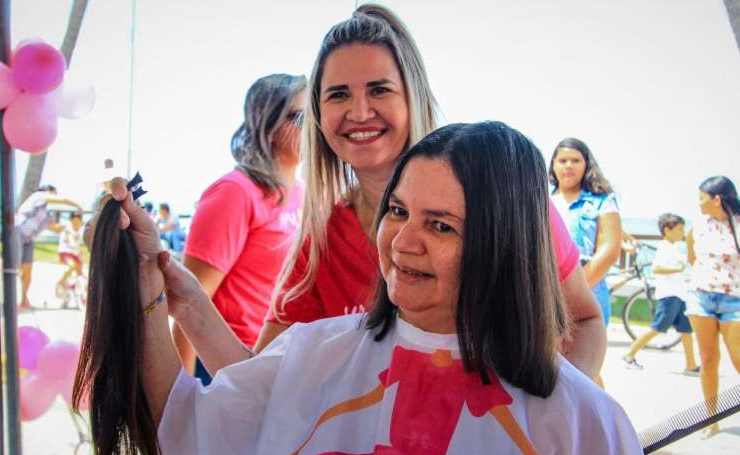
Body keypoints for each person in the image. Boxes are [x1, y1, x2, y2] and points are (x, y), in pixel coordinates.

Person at [79, 121, 648, 455]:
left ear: (507, 241)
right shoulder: (311, 352)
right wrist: (149, 291)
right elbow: (184, 426)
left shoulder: (585, 423)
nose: (402, 242)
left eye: (441, 225)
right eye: (398, 211)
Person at [254, 4, 606, 381]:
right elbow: (257, 380)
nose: (359, 112)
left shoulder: (497, 193)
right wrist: (191, 305)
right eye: (338, 94)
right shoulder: (322, 239)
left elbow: (584, 321)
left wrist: (558, 412)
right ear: (319, 115)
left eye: (379, 89)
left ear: (412, 96)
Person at [172, 74, 306, 384]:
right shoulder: (235, 192)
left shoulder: (304, 194)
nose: (314, 125)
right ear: (268, 126)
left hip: (277, 367)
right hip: (224, 368)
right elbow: (189, 303)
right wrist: (182, 397)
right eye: (299, 116)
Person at [685, 176, 740, 437]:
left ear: (717, 199)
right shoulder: (697, 226)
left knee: (738, 358)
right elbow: (693, 257)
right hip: (702, 297)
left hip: (735, 299)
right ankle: (711, 419)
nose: (698, 202)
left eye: (701, 197)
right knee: (708, 359)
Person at [549, 137, 622, 325]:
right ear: (553, 165)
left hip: (588, 292)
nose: (568, 166)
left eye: (575, 160)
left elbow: (610, 250)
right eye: (562, 160)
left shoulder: (603, 201)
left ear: (586, 164)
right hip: (547, 296)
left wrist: (575, 290)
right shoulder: (542, 201)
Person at [622, 213, 699, 373]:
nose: (682, 233)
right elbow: (657, 268)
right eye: (679, 229)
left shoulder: (673, 247)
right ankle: (630, 353)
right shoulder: (665, 247)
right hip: (669, 295)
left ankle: (691, 364)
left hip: (679, 295)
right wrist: (678, 269)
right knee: (658, 328)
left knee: (686, 330)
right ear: (667, 230)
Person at [15, 185, 82, 309]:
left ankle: (24, 300)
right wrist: (76, 204)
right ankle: (10, 300)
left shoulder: (46, 213)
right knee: (15, 268)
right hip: (18, 232)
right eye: (53, 193)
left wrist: (70, 225)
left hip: (29, 239)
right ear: (48, 192)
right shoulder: (37, 196)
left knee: (27, 270)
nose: (54, 196)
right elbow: (58, 199)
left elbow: (55, 228)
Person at [55, 212, 85, 302]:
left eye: (78, 221)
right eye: (74, 221)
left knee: (81, 274)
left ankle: (74, 289)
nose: (76, 223)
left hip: (75, 254)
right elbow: (72, 242)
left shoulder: (81, 229)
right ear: (71, 221)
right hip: (65, 252)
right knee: (72, 266)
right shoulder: (67, 228)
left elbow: (81, 243)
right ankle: (60, 282)